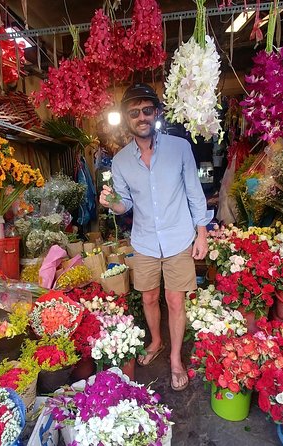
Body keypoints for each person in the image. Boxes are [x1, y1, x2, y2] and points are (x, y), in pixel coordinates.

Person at [99, 83, 210, 391]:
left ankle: (175, 358)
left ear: (157, 113)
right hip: (145, 240)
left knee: (175, 300)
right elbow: (125, 205)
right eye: (134, 113)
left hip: (177, 237)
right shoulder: (120, 161)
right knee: (149, 296)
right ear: (127, 120)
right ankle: (157, 341)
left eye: (147, 110)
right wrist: (112, 203)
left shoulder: (179, 148)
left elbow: (194, 192)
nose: (141, 117)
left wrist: (201, 234)